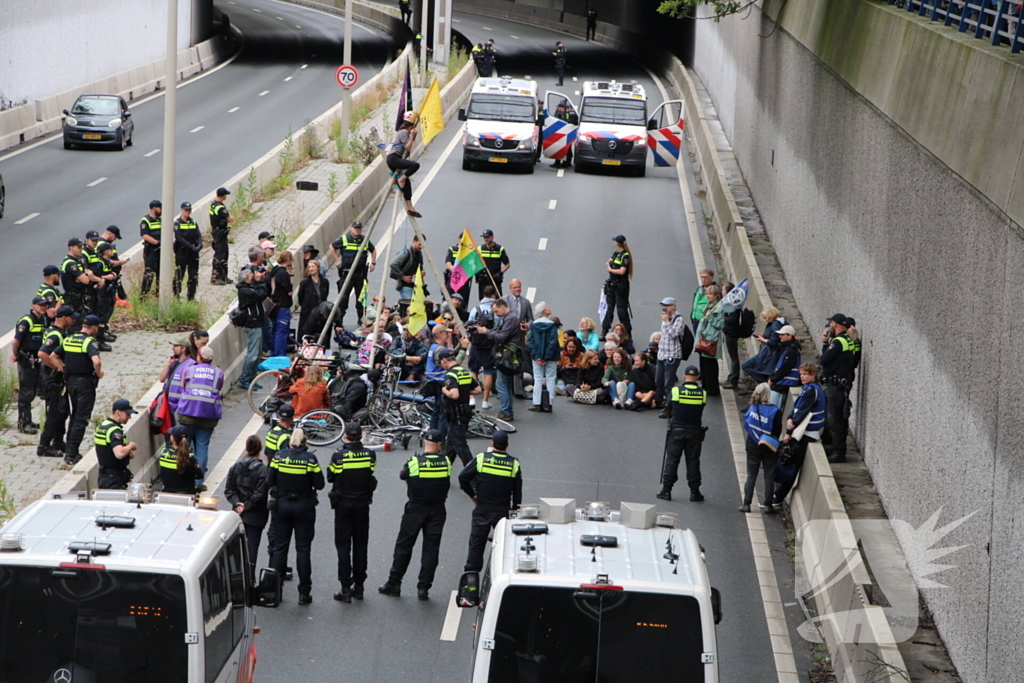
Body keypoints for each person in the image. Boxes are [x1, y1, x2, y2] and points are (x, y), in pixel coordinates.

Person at [379, 429, 451, 600]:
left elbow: (403, 476)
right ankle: (423, 588)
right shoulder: (446, 461)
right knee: (431, 549)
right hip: (437, 509)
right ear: (440, 444)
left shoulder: (414, 462)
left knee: (404, 546)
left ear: (424, 441)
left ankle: (394, 583)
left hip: (416, 508)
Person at [269, 428, 325, 604]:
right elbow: (320, 484)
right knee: (303, 550)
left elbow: (270, 481)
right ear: (304, 441)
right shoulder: (310, 459)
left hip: (282, 505)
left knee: (280, 547)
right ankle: (304, 593)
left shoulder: (279, 457)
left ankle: (275, 591)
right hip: (304, 506)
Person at [324, 422, 376, 603]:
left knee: (343, 546)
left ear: (345, 436)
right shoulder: (370, 454)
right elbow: (370, 473)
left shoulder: (339, 457)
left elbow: (330, 477)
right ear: (361, 436)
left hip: (343, 505)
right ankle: (359, 587)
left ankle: (345, 588)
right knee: (361, 545)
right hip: (362, 504)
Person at [459, 430, 522, 572]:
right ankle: (501, 572)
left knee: (476, 543)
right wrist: (514, 509)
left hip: (482, 508)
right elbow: (517, 491)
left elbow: (462, 477)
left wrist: (472, 495)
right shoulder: (514, 464)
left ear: (492, 443)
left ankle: (471, 577)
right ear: (507, 444)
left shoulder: (481, 459)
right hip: (502, 511)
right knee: (504, 545)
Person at [773, 364, 825, 505]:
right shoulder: (809, 389)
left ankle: (777, 498)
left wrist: (790, 427)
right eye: (801, 374)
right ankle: (776, 494)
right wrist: (790, 420)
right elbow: (797, 408)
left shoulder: (811, 391)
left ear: (813, 375)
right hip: (803, 431)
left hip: (806, 432)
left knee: (790, 464)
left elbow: (801, 411)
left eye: (806, 374)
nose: (802, 376)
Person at [57, 314, 104, 466]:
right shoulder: (90, 342)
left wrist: (62, 368)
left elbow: (53, 355)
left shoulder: (68, 338)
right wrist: (99, 373)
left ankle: (70, 449)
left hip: (71, 382)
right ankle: (71, 454)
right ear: (95, 327)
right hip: (85, 384)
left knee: (74, 415)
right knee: (81, 418)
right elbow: (96, 361)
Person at [658, 366, 708, 502]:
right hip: (695, 431)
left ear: (684, 376)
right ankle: (694, 492)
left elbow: (668, 409)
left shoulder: (676, 391)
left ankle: (666, 490)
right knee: (693, 461)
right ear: (697, 377)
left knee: (672, 460)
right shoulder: (702, 393)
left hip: (677, 430)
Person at [177, 346, 224, 488]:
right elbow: (219, 388)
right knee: (202, 447)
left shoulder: (190, 369)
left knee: (185, 445)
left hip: (188, 412)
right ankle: (198, 482)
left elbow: (183, 386)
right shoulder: (218, 373)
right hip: (209, 415)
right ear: (212, 359)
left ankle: (182, 478)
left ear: (199, 357)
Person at [225, 435, 270, 576]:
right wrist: (247, 505)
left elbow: (229, 490)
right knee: (252, 548)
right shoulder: (263, 470)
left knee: (235, 549)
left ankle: (236, 577)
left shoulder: (235, 467)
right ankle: (250, 578)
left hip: (237, 515)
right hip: (256, 515)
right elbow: (259, 494)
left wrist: (238, 503)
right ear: (260, 449)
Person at [37, 306, 77, 457]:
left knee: (63, 410)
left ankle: (58, 442)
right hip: (53, 379)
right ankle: (44, 446)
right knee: (55, 412)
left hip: (54, 379)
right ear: (64, 317)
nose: (73, 320)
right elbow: (42, 353)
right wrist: (58, 367)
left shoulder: (56, 331)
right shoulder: (55, 335)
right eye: (71, 317)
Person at [740, 383, 783, 513]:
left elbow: (746, 423)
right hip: (768, 446)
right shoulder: (775, 411)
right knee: (769, 474)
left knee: (751, 475)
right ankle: (768, 505)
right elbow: (777, 430)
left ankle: (746, 504)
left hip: (752, 445)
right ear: (768, 395)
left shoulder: (752, 407)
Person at [820, 314, 856, 463]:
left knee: (835, 420)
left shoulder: (838, 341)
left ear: (834, 324)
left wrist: (825, 342)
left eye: (831, 324)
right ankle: (836, 448)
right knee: (839, 419)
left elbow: (824, 360)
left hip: (836, 385)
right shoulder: (849, 339)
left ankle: (838, 453)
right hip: (842, 384)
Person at [477, 298, 519, 421]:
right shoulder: (509, 318)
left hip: (507, 355)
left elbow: (502, 337)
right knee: (505, 384)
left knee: (501, 384)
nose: (496, 314)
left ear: (502, 307)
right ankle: (507, 410)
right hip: (508, 354)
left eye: (496, 311)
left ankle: (506, 411)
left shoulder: (510, 319)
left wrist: (486, 332)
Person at [12, 296, 48, 434]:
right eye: (40, 305)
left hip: (37, 360)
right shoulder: (26, 321)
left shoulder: (42, 320)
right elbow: (16, 341)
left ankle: (28, 419)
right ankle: (24, 423)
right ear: (33, 305)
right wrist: (16, 355)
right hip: (27, 360)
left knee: (33, 391)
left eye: (45, 305)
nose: (43, 307)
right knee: (26, 393)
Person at [330, 221, 377, 323]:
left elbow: (373, 250)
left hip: (360, 273)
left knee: (361, 298)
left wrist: (373, 263)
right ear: (351, 229)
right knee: (343, 298)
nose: (357, 230)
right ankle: (339, 321)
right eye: (355, 228)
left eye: (359, 228)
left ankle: (361, 319)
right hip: (347, 273)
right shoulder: (345, 239)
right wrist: (337, 260)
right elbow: (332, 246)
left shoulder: (364, 240)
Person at [440, 348, 479, 466]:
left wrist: (444, 390)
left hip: (454, 413)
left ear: (444, 360)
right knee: (451, 445)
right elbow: (478, 389)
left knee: (460, 444)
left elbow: (454, 394)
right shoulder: (463, 371)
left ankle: (472, 472)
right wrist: (465, 392)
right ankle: (445, 469)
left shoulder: (451, 375)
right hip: (465, 412)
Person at [657, 297, 694, 417]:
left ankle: (669, 407)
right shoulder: (665, 318)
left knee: (669, 382)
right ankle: (663, 401)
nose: (665, 308)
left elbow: (673, 334)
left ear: (674, 306)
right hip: (662, 354)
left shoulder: (679, 319)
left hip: (672, 355)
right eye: (663, 305)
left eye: (667, 305)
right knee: (659, 380)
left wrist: (667, 321)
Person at [236, 264, 268, 390]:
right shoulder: (245, 291)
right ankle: (245, 379)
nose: (253, 278)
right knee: (252, 354)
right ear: (246, 280)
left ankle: (252, 379)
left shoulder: (250, 287)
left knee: (257, 354)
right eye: (251, 277)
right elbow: (261, 295)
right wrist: (261, 282)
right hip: (252, 324)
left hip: (257, 323)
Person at [94, 399, 139, 489]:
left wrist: (127, 451)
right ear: (118, 412)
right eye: (127, 414)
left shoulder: (103, 425)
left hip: (104, 476)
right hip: (114, 480)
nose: (129, 417)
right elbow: (119, 454)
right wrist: (131, 446)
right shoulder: (115, 431)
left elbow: (107, 448)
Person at [386, 113, 423, 217]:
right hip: (394, 158)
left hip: (397, 158)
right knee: (415, 165)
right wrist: (411, 136)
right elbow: (408, 148)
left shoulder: (406, 133)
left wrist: (413, 136)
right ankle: (401, 179)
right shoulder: (403, 132)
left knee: (407, 185)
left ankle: (410, 207)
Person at [467, 285, 498, 409]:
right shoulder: (494, 310)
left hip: (476, 344)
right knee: (488, 372)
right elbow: (498, 325)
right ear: (493, 295)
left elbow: (469, 324)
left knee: (473, 371)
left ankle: (472, 398)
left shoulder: (476, 309)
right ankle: (485, 401)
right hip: (489, 345)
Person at [527, 302, 559, 413]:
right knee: (550, 378)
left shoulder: (534, 325)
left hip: (537, 358)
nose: (550, 308)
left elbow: (530, 341)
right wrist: (546, 357)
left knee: (538, 379)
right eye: (548, 307)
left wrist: (537, 356)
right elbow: (553, 342)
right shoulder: (552, 325)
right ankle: (549, 404)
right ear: (544, 311)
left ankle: (537, 403)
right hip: (551, 357)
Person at [742, 307, 787, 383]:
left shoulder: (775, 325)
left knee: (745, 365)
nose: (766, 320)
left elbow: (773, 342)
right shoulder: (782, 322)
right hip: (773, 353)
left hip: (769, 353)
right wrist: (765, 335)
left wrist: (762, 339)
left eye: (766, 318)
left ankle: (762, 382)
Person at [694, 285, 725, 396]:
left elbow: (719, 324)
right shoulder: (709, 305)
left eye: (710, 294)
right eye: (707, 294)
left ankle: (712, 388)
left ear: (716, 296)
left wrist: (710, 317)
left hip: (711, 340)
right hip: (704, 337)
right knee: (704, 363)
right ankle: (705, 385)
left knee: (710, 364)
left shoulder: (719, 308)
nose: (708, 296)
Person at [158, 425, 203, 494]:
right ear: (186, 439)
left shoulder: (164, 452)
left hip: (167, 491)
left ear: (172, 438)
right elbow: (199, 475)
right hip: (187, 493)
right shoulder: (189, 457)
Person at [173, 201, 201, 301]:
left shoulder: (193, 222)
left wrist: (199, 245)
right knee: (179, 275)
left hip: (193, 254)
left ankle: (191, 297)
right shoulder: (177, 223)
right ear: (181, 210)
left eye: (189, 210)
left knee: (193, 276)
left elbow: (198, 235)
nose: (187, 212)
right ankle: (176, 297)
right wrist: (191, 247)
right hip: (182, 253)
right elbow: (179, 238)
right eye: (186, 210)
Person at [768, 325, 800, 411]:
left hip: (783, 383)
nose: (780, 336)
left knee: (773, 410)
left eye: (782, 334)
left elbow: (785, 368)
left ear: (789, 335)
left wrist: (773, 379)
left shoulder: (791, 350)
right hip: (781, 382)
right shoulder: (788, 349)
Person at [389, 235, 424, 315]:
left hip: (416, 286)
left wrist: (421, 273)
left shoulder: (419, 254)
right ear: (414, 241)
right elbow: (393, 264)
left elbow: (419, 267)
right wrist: (402, 276)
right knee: (409, 308)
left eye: (422, 245)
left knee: (416, 307)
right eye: (419, 244)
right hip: (406, 286)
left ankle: (399, 306)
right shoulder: (405, 253)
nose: (421, 247)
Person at [269, 251, 295, 357]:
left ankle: (274, 353)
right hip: (282, 306)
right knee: (282, 332)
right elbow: (289, 290)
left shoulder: (274, 271)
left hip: (274, 305)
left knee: (275, 331)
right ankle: (280, 355)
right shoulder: (283, 273)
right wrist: (292, 274)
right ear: (288, 260)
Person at [297, 259, 330, 340]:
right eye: (309, 267)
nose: (311, 269)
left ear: (318, 268)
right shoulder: (304, 283)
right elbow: (300, 297)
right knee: (306, 331)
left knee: (319, 332)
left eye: (313, 267)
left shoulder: (325, 282)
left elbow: (325, 295)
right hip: (308, 311)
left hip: (320, 311)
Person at [60, 238, 93, 316]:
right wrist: (88, 275)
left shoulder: (78, 260)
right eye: (78, 247)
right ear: (71, 247)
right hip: (72, 297)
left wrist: (87, 275)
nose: (81, 249)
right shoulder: (69, 263)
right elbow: (85, 280)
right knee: (76, 322)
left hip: (81, 296)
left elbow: (86, 274)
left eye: (81, 247)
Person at [162, 338, 194, 416]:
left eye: (176, 346)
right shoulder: (174, 362)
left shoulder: (191, 365)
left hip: (179, 407)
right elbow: (161, 379)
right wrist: (168, 364)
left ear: (183, 348)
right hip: (168, 405)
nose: (173, 348)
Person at [721, 282, 742, 390]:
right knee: (732, 357)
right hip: (729, 332)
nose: (722, 292)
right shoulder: (729, 302)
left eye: (723, 290)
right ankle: (731, 377)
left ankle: (734, 379)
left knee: (734, 357)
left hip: (732, 333)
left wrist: (722, 318)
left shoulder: (733, 304)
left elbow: (733, 319)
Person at [476, 229, 510, 300]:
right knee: (483, 300)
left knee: (497, 300)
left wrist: (500, 273)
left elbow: (507, 264)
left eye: (487, 237)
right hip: (484, 280)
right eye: (484, 237)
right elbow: (475, 263)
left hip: (495, 279)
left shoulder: (499, 249)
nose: (486, 239)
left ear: (492, 237)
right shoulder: (480, 249)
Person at [210, 188, 233, 285]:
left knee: (224, 254)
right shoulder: (220, 207)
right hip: (220, 234)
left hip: (218, 232)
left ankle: (223, 276)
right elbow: (230, 219)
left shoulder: (213, 204)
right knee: (220, 255)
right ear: (223, 195)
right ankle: (215, 277)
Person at [140, 199, 162, 296]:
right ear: (154, 208)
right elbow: (145, 236)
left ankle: (158, 294)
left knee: (161, 274)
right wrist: (157, 242)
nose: (161, 210)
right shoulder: (145, 221)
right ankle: (143, 296)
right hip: (151, 251)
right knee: (149, 274)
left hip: (161, 251)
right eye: (160, 208)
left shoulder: (160, 220)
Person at [550, 99, 578, 168]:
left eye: (560, 107)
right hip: (560, 133)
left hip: (565, 133)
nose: (558, 109)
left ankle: (566, 162)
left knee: (566, 149)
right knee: (559, 148)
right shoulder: (559, 113)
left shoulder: (566, 114)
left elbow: (567, 121)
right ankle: (558, 162)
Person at [444, 234, 472, 302]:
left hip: (464, 281)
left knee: (462, 302)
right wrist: (457, 272)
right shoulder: (452, 249)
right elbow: (448, 264)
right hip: (453, 279)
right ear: (459, 239)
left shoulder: (470, 252)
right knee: (448, 301)